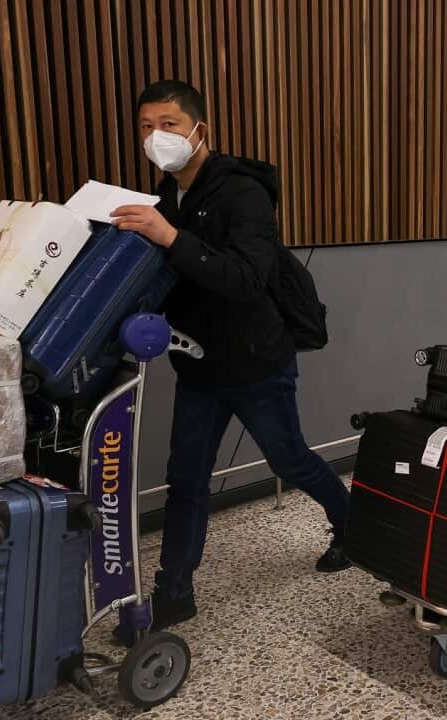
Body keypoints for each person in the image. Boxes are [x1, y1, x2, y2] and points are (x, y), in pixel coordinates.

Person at [109, 80, 352, 632]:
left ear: (200, 131)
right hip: (198, 363)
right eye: (146, 127)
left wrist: (168, 236)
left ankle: (350, 524)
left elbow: (245, 278)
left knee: (290, 460)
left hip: (255, 361)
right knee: (186, 477)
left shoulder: (242, 192)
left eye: (168, 124)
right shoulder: (166, 197)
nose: (156, 137)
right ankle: (175, 591)